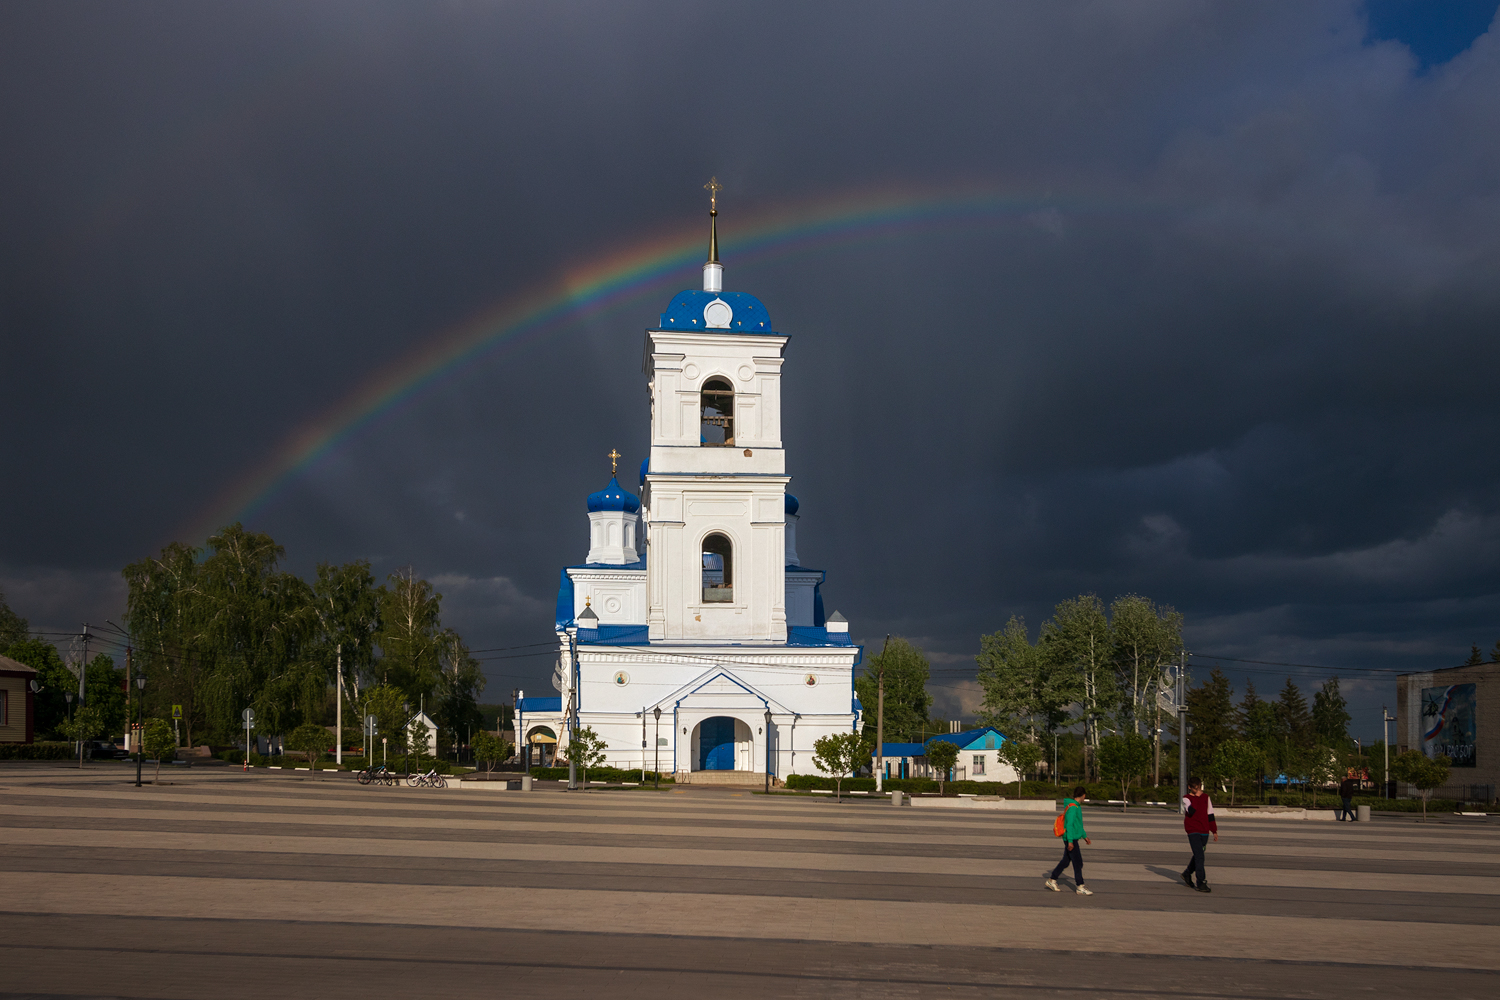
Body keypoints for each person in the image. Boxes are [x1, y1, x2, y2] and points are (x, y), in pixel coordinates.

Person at [1045, 785, 1093, 895]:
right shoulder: (1073, 808)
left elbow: (1078, 825)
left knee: (1066, 861)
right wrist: (1070, 841)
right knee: (1077, 863)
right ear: (1083, 795)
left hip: (1072, 837)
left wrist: (1084, 836)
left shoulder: (1075, 806)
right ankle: (1080, 886)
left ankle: (1052, 880)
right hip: (1070, 839)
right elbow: (1070, 825)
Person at [1181, 777, 1218, 892]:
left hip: (1204, 830)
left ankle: (1187, 873)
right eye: (1195, 789)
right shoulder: (1186, 799)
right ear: (1190, 788)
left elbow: (1210, 814)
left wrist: (1214, 830)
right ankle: (1200, 882)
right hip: (1193, 830)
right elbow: (1191, 811)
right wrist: (1197, 798)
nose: (1197, 791)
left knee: (1198, 854)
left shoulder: (1206, 797)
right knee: (1200, 856)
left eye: (1198, 788)